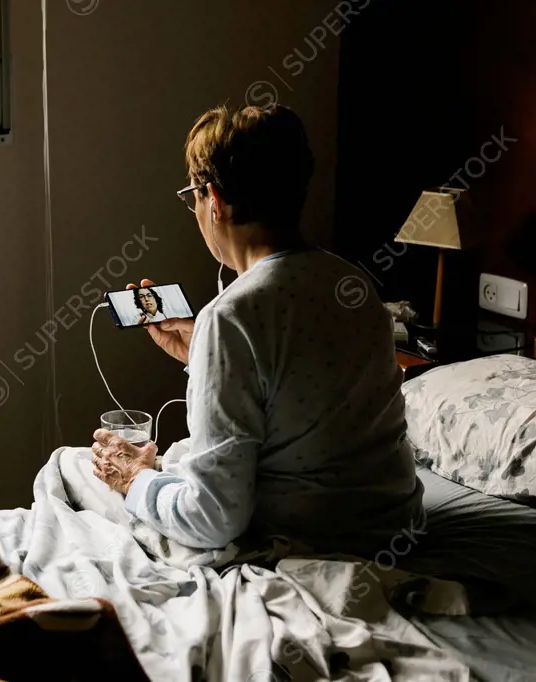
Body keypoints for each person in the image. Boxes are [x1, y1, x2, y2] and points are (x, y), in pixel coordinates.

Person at [90, 104, 425, 554]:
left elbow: (211, 519)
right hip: (392, 524)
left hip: (309, 539)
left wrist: (134, 480)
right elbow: (308, 396)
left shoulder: (233, 315)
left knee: (69, 468)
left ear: (216, 201)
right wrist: (202, 356)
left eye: (192, 196)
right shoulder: (353, 284)